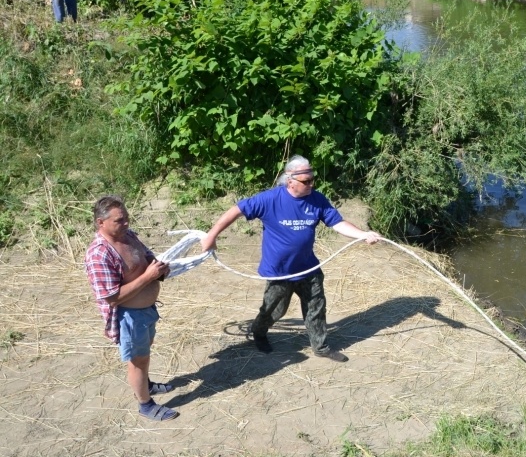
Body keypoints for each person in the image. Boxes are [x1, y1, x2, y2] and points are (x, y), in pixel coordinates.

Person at [200, 155, 381, 362]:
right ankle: (259, 332)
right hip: (279, 271)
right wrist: (212, 235)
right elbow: (236, 210)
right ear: (290, 181)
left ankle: (321, 347)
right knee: (274, 310)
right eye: (306, 181)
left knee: (316, 307)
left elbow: (338, 223)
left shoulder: (317, 199)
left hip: (308, 268)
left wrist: (362, 235)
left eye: (312, 179)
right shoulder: (269, 199)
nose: (311, 184)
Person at [85, 196, 178, 421]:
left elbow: (146, 256)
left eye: (126, 217)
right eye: (119, 220)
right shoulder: (99, 254)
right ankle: (145, 405)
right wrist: (148, 277)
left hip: (146, 312)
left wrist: (159, 267)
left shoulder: (128, 235)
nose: (126, 223)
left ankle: (145, 385)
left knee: (144, 353)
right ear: (100, 222)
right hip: (129, 317)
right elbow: (112, 298)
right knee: (138, 360)